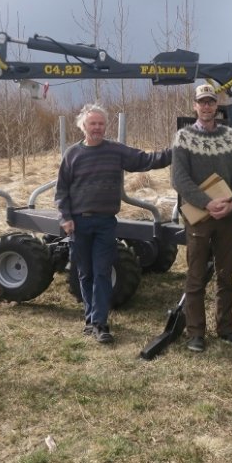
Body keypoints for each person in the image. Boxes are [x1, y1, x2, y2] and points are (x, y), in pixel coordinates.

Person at [55, 103, 172, 344]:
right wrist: (65, 218)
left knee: (102, 272)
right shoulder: (72, 154)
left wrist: (176, 151)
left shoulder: (116, 151)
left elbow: (147, 160)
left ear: (105, 126)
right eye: (92, 124)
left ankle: (100, 322)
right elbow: (61, 190)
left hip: (105, 223)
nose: (97, 128)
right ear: (83, 127)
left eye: (100, 123)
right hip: (78, 223)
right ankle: (90, 319)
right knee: (84, 274)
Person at [172, 83, 232, 353]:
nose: (206, 106)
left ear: (216, 105)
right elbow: (179, 179)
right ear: (194, 105)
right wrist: (208, 202)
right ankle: (196, 333)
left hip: (227, 217)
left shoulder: (230, 136)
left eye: (210, 101)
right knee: (195, 276)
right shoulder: (183, 137)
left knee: (226, 275)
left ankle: (226, 328)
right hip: (199, 218)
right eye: (201, 102)